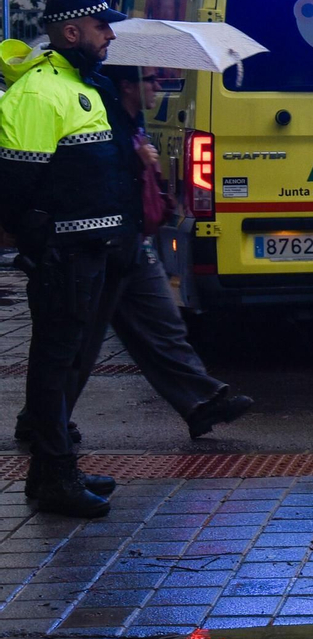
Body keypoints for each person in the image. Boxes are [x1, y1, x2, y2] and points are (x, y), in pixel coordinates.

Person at [12, 64, 254, 446]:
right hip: (101, 245)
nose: (159, 86)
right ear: (127, 86)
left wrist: (150, 168)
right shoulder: (101, 117)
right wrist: (134, 159)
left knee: (163, 326)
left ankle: (201, 402)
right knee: (80, 343)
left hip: (134, 242)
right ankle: (42, 422)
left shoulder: (133, 120)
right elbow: (92, 177)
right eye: (151, 81)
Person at [0, 0, 135, 518]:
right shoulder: (38, 92)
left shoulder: (82, 85)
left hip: (90, 248)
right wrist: (37, 242)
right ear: (71, 32)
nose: (110, 36)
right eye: (102, 27)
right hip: (63, 254)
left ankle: (50, 473)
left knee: (68, 357)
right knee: (54, 363)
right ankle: (55, 475)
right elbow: (14, 183)